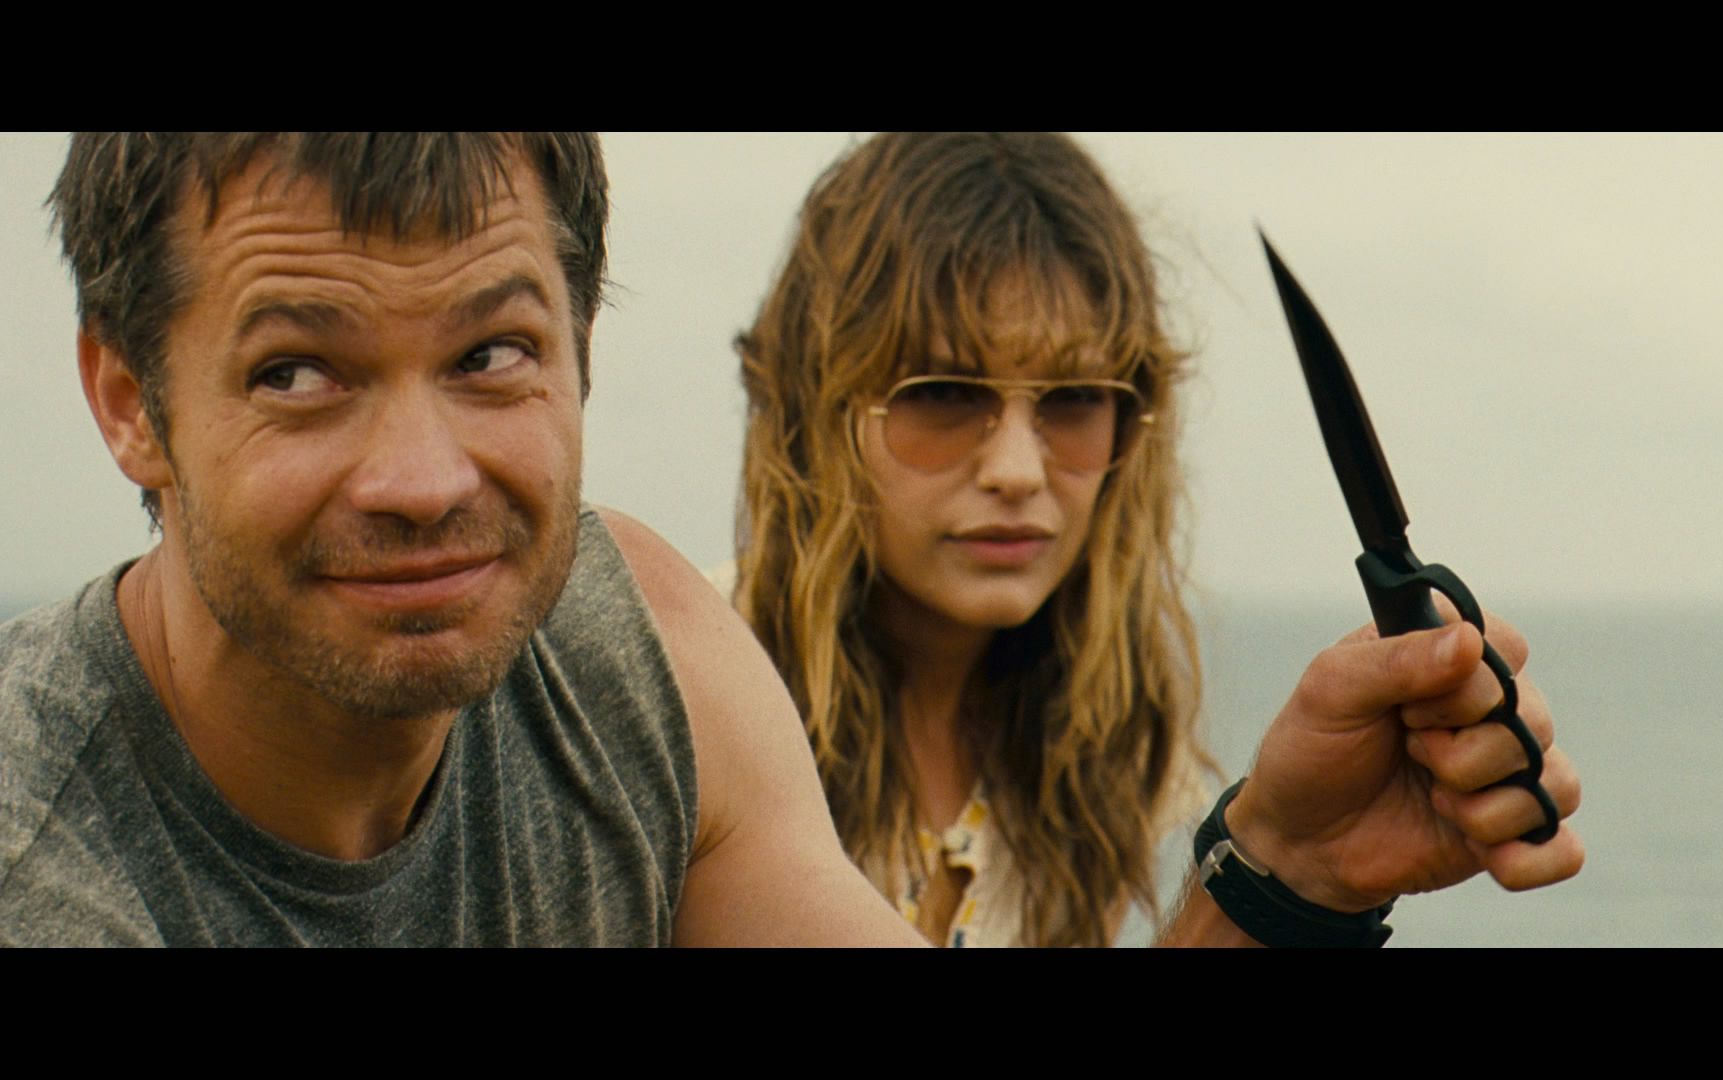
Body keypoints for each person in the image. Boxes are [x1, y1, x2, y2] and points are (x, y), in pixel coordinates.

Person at [0, 132, 1580, 947]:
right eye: (299, 373)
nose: (420, 478)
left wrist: (1287, 877)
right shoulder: (52, 878)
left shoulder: (632, 662)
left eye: (491, 353)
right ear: (129, 401)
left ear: (582, 356)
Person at [732, 132, 1585, 946]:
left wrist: (1292, 874)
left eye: (1075, 401)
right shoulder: (689, 705)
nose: (1017, 470)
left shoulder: (1099, 740)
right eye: (943, 395)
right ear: (811, 408)